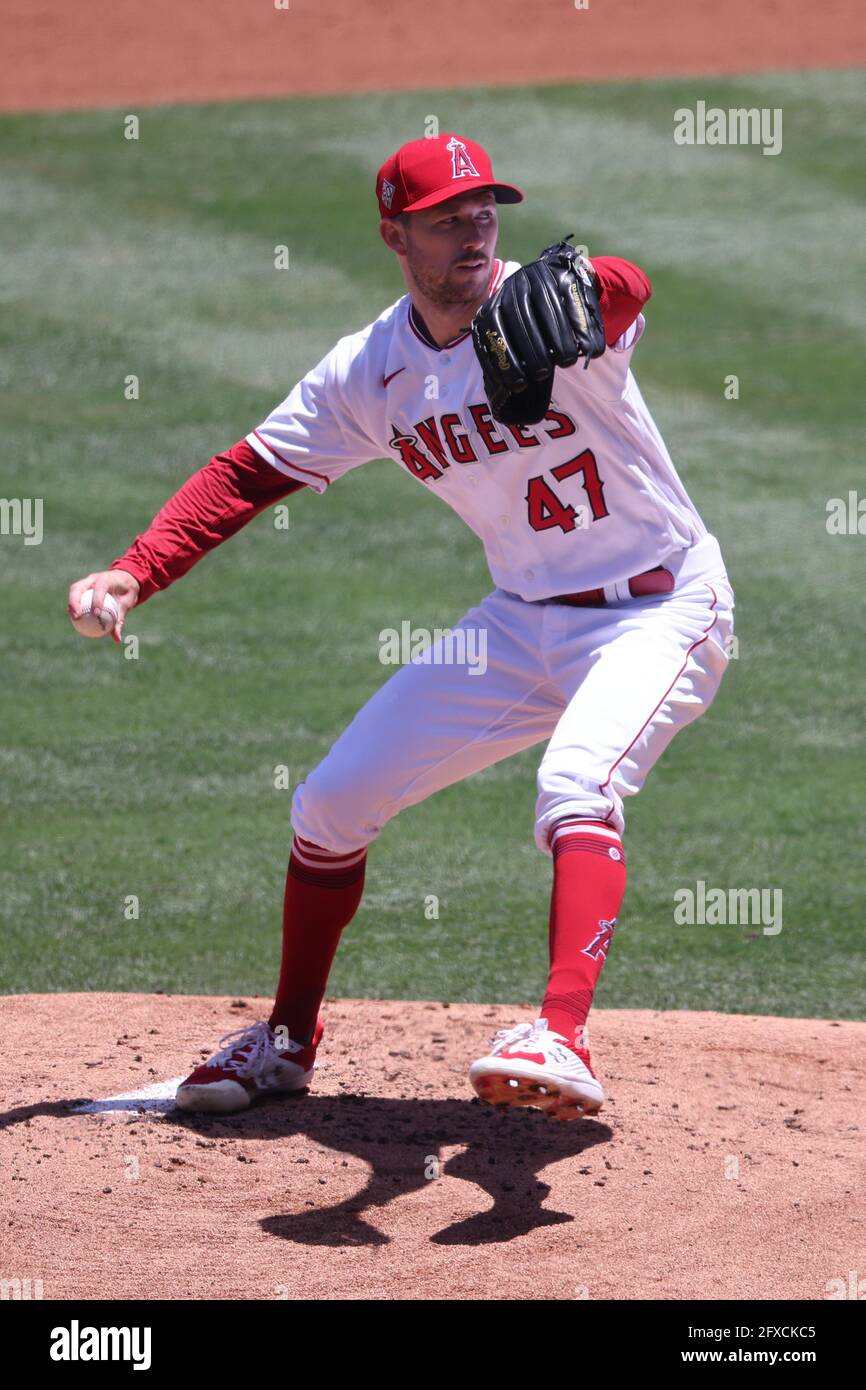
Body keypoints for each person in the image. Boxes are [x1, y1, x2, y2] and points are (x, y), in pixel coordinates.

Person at [68, 133, 734, 1122]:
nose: (473, 232)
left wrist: (602, 281)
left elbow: (625, 289)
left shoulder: (543, 306)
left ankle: (560, 1030)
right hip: (520, 620)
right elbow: (247, 473)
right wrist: (135, 571)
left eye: (484, 212)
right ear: (393, 235)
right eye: (445, 220)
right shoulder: (370, 372)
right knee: (329, 804)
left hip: (660, 605)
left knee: (575, 780)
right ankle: (286, 1041)